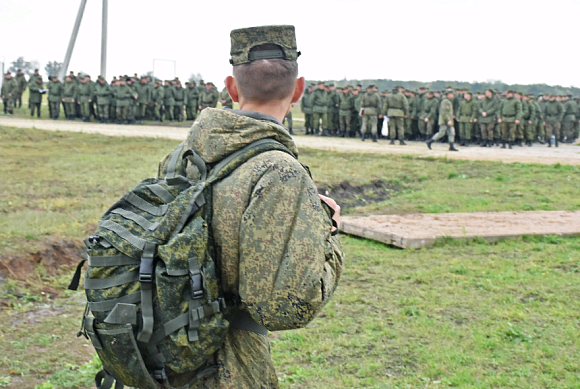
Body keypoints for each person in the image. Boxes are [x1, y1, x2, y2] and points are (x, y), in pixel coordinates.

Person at [154, 24, 343, 388]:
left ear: (231, 87)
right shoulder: (279, 171)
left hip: (165, 353)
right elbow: (285, 307)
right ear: (299, 90)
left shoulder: (181, 157)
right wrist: (328, 233)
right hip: (228, 367)